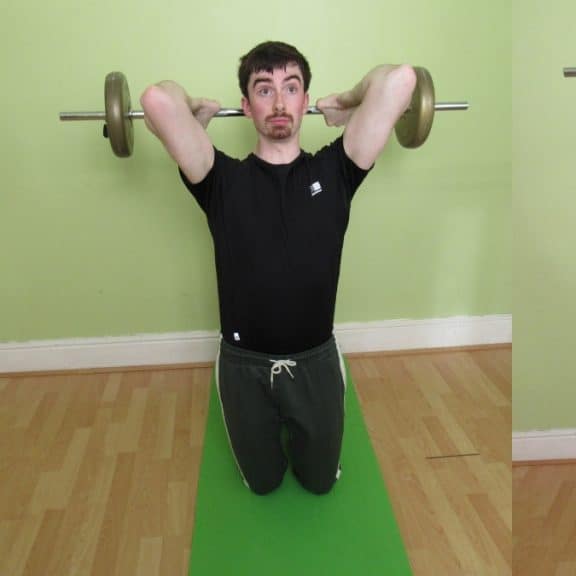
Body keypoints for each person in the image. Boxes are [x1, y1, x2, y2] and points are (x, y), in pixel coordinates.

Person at [140, 41, 417, 495]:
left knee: (320, 483)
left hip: (315, 362)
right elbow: (157, 100)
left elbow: (401, 80)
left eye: (292, 88)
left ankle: (318, 448)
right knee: (262, 484)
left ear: (306, 101)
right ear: (247, 107)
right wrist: (194, 112)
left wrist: (349, 103)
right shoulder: (220, 180)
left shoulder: (337, 171)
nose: (281, 101)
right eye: (264, 90)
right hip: (244, 365)